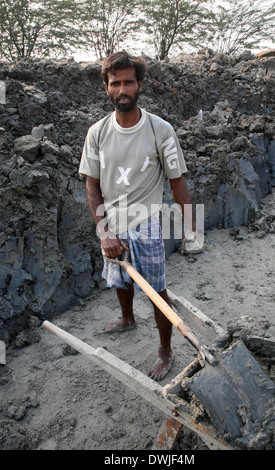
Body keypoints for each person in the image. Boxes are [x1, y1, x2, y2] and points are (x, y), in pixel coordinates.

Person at [79, 51, 198, 381]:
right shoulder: (97, 133)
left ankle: (165, 350)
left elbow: (177, 183)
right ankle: (128, 318)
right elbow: (92, 186)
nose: (122, 89)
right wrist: (105, 232)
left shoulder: (160, 130)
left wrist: (192, 230)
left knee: (157, 290)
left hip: (146, 224)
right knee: (120, 277)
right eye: (114, 83)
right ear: (106, 87)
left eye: (128, 82)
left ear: (140, 84)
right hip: (111, 223)